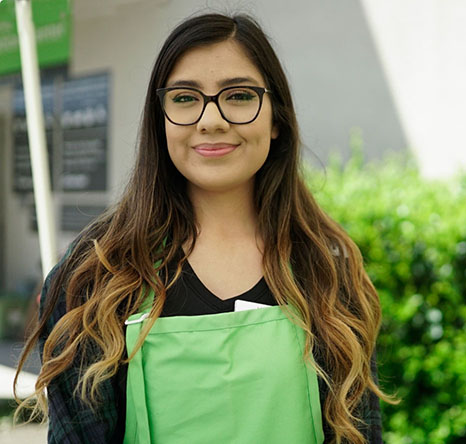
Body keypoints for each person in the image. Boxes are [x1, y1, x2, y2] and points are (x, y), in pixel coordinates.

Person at [15, 13, 396, 444]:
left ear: (276, 120)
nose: (211, 120)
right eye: (184, 98)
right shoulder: (97, 273)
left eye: (238, 95)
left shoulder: (327, 270)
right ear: (159, 122)